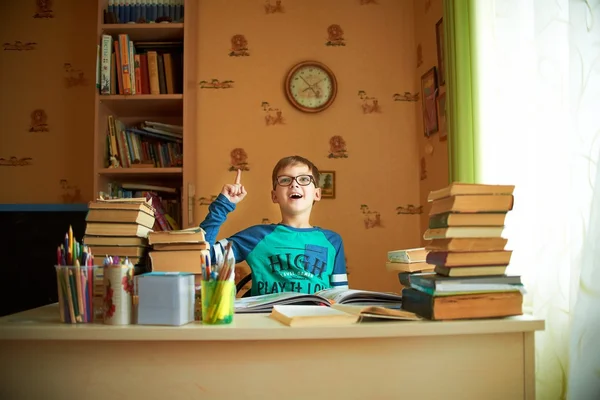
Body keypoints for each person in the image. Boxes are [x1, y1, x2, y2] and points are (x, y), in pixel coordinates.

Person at [200, 155, 348, 296]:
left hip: (315, 320)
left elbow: (341, 298)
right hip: (267, 320)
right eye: (285, 180)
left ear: (317, 194)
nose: (294, 184)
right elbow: (202, 257)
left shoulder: (333, 241)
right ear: (274, 196)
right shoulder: (256, 236)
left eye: (304, 179)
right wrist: (222, 206)